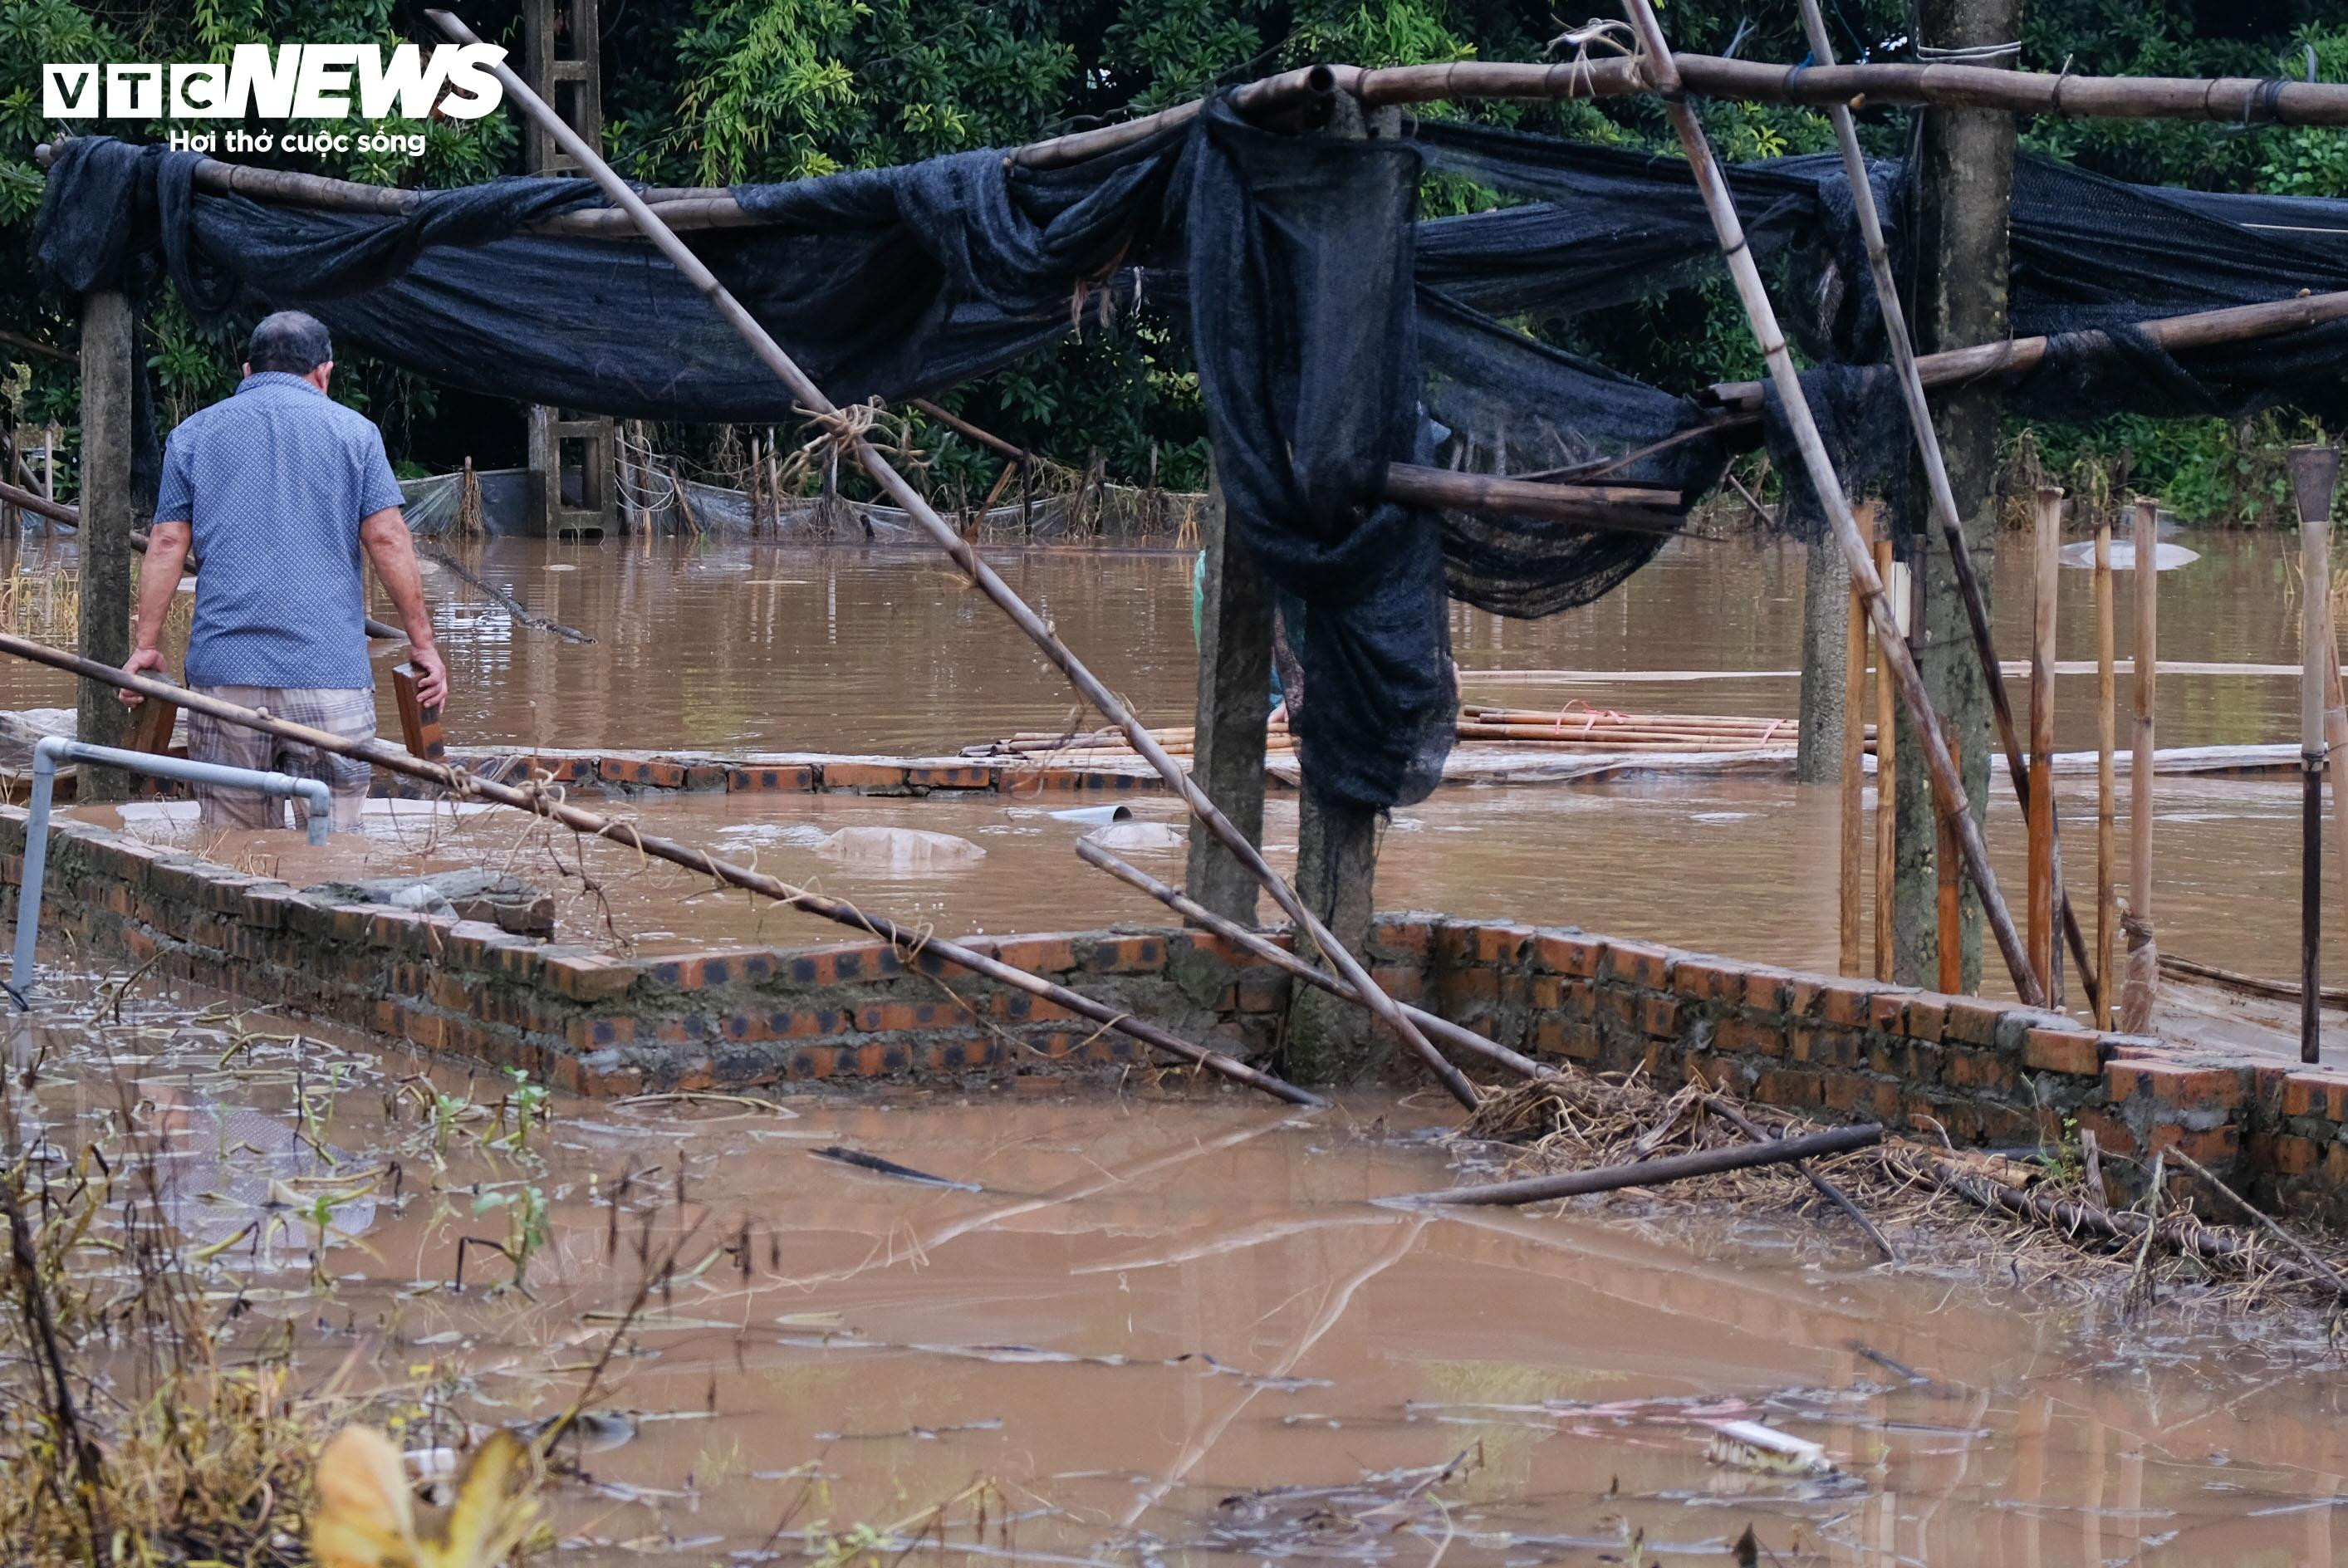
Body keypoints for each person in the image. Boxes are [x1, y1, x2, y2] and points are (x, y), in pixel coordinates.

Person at [120, 311, 447, 832]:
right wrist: (422, 645)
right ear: (324, 373)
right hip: (330, 677)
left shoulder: (193, 435)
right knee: (337, 850)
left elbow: (165, 543)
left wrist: (146, 645)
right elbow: (387, 538)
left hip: (225, 678)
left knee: (232, 853)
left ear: (247, 372)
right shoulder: (355, 433)